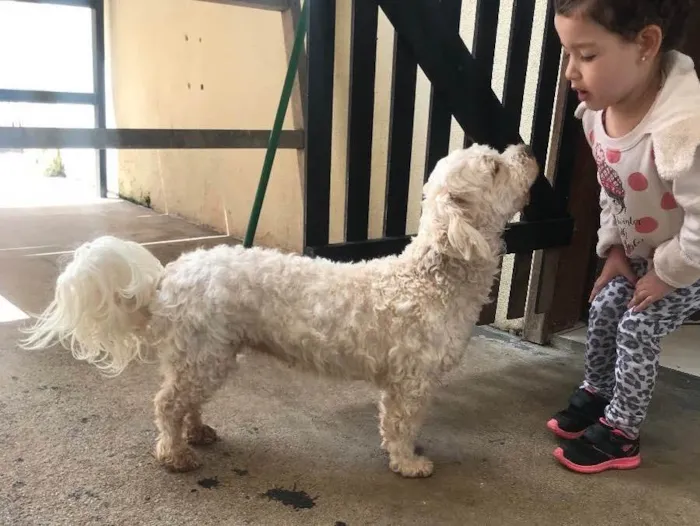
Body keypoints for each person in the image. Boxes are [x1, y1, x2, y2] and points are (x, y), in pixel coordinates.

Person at [548, 0, 700, 474]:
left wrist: (665, 275)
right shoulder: (599, 112)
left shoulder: (683, 133)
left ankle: (622, 433)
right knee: (604, 304)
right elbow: (611, 189)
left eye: (587, 56)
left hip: (688, 263)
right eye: (567, 53)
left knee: (637, 325)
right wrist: (614, 248)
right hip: (644, 254)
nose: (571, 71)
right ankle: (599, 391)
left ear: (646, 44)